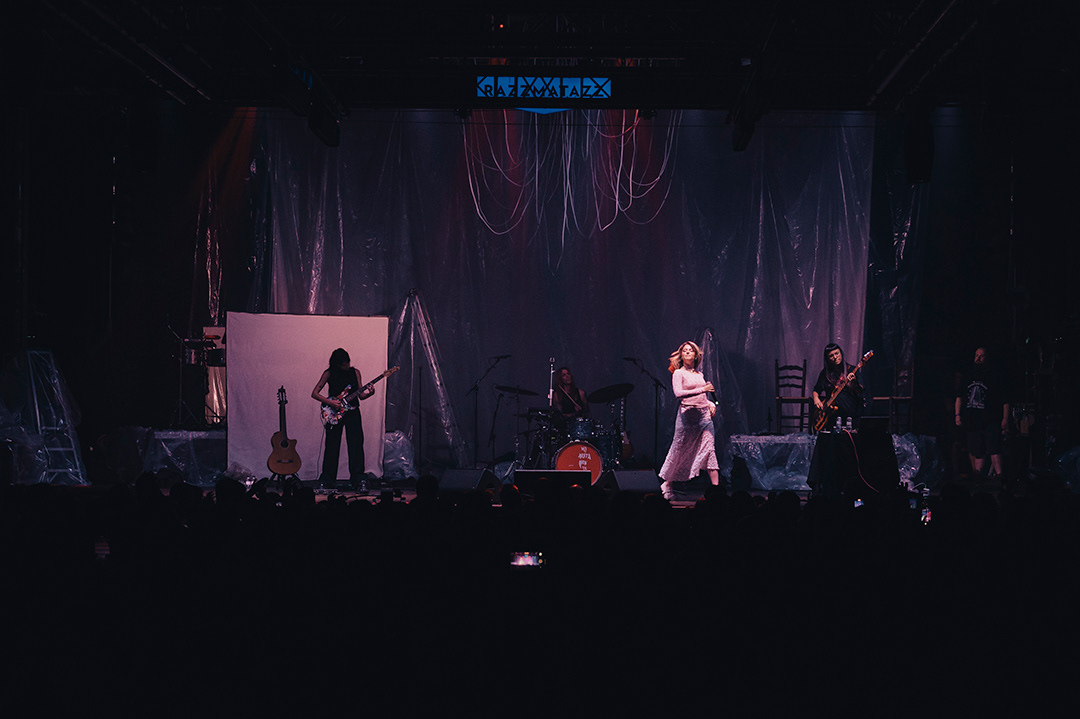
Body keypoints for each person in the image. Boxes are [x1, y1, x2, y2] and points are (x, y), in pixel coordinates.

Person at [658, 341, 719, 500]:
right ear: (681, 355)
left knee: (709, 449)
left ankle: (716, 491)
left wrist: (710, 403)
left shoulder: (699, 374)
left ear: (696, 355)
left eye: (690, 350)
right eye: (684, 350)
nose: (687, 352)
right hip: (687, 416)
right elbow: (678, 393)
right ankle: (667, 483)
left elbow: (702, 397)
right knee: (680, 450)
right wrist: (703, 389)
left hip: (704, 417)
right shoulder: (678, 373)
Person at [311, 348, 373, 491]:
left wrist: (370, 393)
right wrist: (330, 402)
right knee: (332, 445)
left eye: (348, 363)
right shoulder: (329, 373)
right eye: (344, 364)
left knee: (356, 445)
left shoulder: (355, 372)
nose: (347, 366)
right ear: (337, 364)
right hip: (334, 413)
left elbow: (361, 395)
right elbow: (314, 393)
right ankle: (327, 479)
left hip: (353, 412)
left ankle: (358, 479)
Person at [955, 346, 1010, 480]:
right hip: (972, 420)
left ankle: (1000, 476)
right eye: (976, 356)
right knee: (977, 450)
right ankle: (978, 476)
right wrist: (957, 415)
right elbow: (959, 396)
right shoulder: (968, 375)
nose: (978, 359)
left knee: (994, 448)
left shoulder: (994, 376)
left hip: (990, 419)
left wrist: (1005, 418)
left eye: (981, 356)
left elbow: (1005, 400)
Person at [812, 343, 864, 430]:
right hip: (831, 414)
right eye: (831, 356)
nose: (835, 357)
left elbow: (861, 392)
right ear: (827, 359)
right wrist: (816, 399)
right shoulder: (825, 373)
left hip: (849, 410)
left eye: (837, 353)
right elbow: (816, 389)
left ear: (841, 353)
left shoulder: (851, 370)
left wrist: (854, 382)